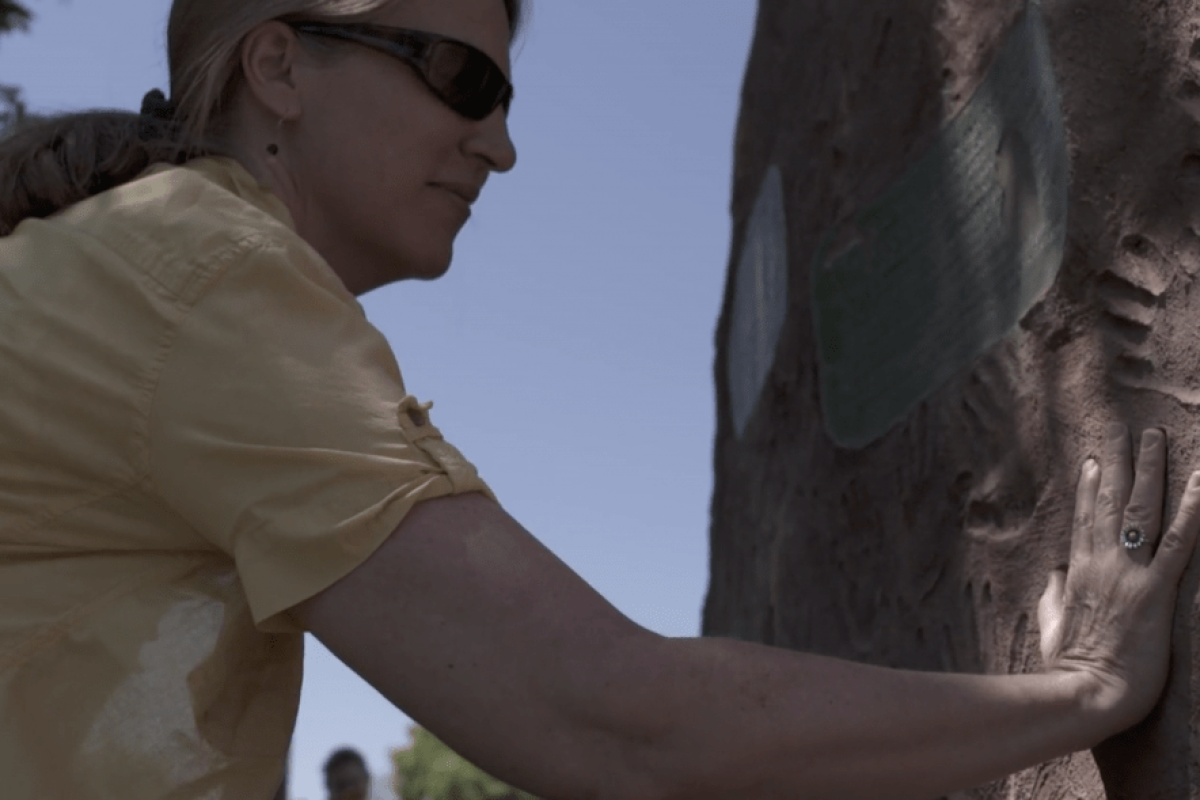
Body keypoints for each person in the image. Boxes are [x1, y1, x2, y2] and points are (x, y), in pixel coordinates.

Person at [0, 0, 1197, 798]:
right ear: (279, 65)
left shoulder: (135, 269)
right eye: (461, 79)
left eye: (507, 102)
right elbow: (612, 723)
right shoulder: (200, 271)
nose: (500, 145)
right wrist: (1081, 689)